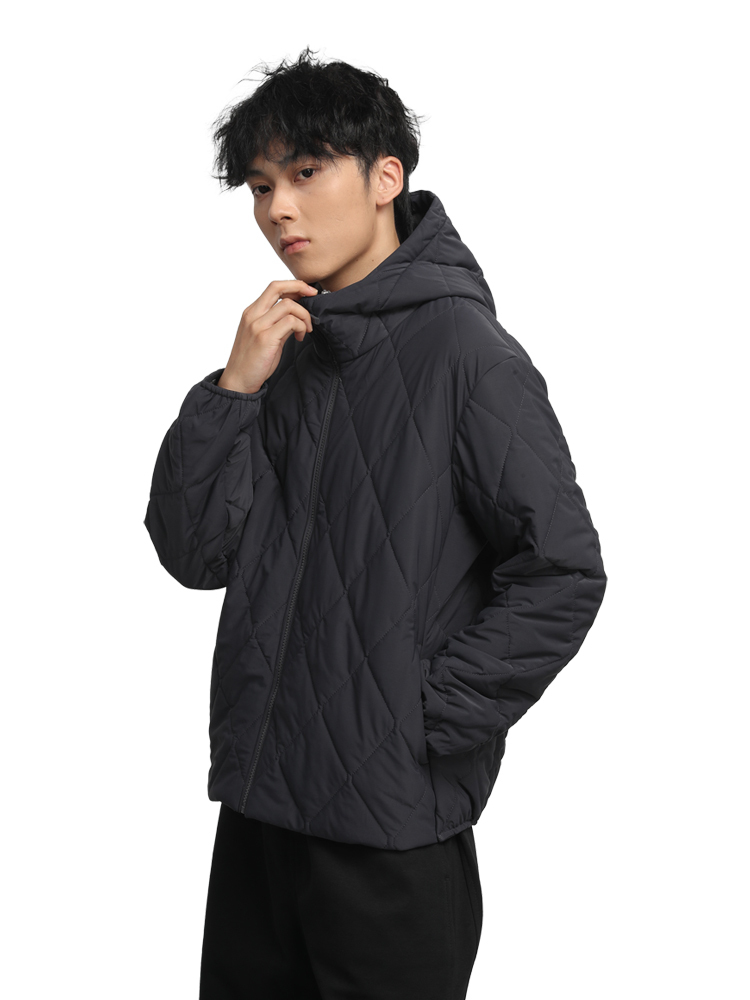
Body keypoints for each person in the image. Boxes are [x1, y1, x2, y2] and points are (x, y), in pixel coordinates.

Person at [143, 47, 607, 1000]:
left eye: (306, 172)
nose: (279, 209)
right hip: (260, 817)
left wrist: (420, 717)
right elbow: (195, 554)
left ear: (386, 176)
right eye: (261, 186)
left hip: (390, 839)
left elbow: (563, 571)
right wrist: (234, 388)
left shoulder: (467, 353)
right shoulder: (284, 351)